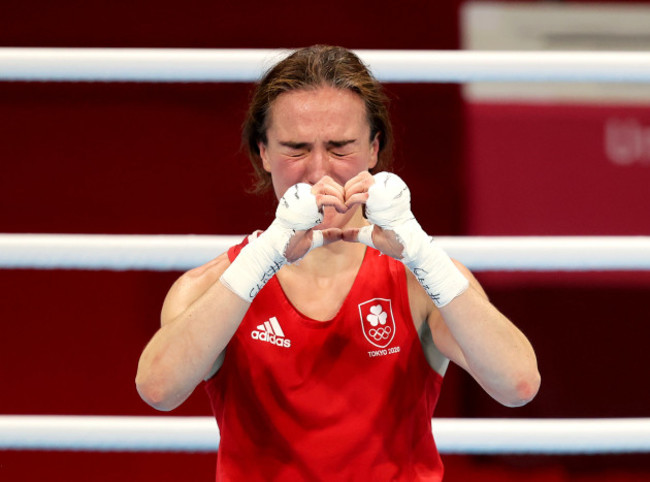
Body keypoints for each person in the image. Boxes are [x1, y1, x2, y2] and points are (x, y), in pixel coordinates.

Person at [136, 45, 540, 481]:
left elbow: (517, 384)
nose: (318, 171)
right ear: (264, 153)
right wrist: (262, 260)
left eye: (340, 147)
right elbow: (159, 390)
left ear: (373, 150)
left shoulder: (420, 279)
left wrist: (423, 254)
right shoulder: (215, 285)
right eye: (295, 148)